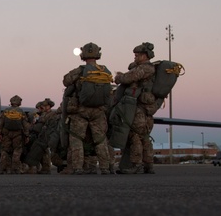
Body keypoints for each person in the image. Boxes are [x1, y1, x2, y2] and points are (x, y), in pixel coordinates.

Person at [62, 42, 113, 174]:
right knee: (100, 140)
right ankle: (105, 167)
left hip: (81, 111)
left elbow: (66, 81)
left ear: (83, 55)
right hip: (99, 111)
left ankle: (78, 167)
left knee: (76, 139)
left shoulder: (80, 70)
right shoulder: (105, 71)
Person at [114, 42, 157, 174]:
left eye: (137, 55)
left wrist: (119, 77)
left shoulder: (145, 68)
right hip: (146, 107)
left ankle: (136, 164)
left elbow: (129, 78)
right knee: (144, 136)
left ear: (144, 56)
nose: (135, 58)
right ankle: (148, 165)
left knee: (135, 135)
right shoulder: (148, 68)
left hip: (139, 107)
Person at [0, 95, 29, 174]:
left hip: (6, 133)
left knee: (5, 150)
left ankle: (3, 168)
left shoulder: (5, 111)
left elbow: (1, 123)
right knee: (17, 150)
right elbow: (25, 125)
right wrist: (26, 135)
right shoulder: (21, 111)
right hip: (17, 134)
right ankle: (15, 169)